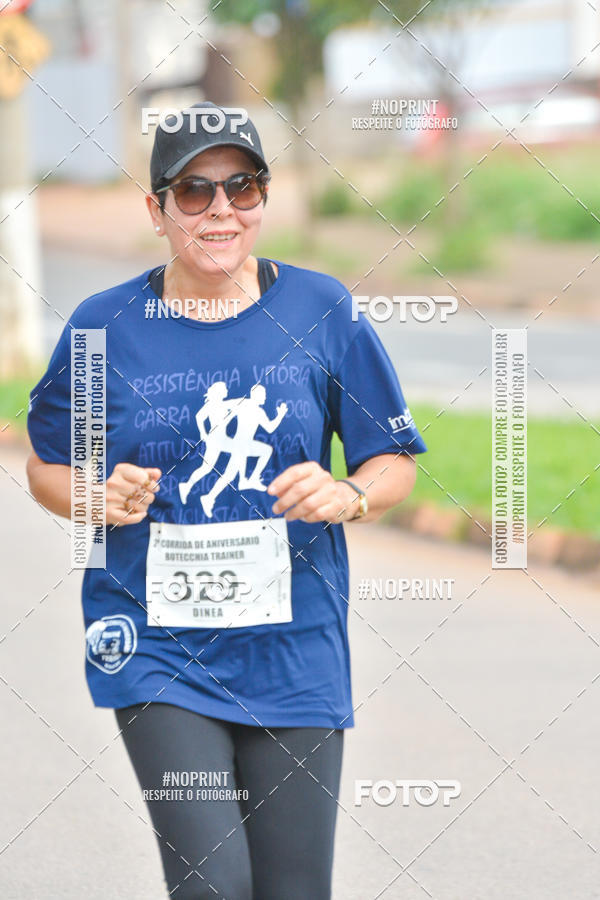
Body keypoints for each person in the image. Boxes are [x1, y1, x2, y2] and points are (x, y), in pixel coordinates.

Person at [26, 101, 428, 899]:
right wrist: (92, 495)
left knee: (292, 889)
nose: (220, 210)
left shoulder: (322, 311)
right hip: (159, 644)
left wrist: (347, 493)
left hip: (294, 643)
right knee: (211, 883)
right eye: (195, 191)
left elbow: (393, 461)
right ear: (157, 209)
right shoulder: (105, 326)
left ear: (263, 199)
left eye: (241, 188)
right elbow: (48, 465)